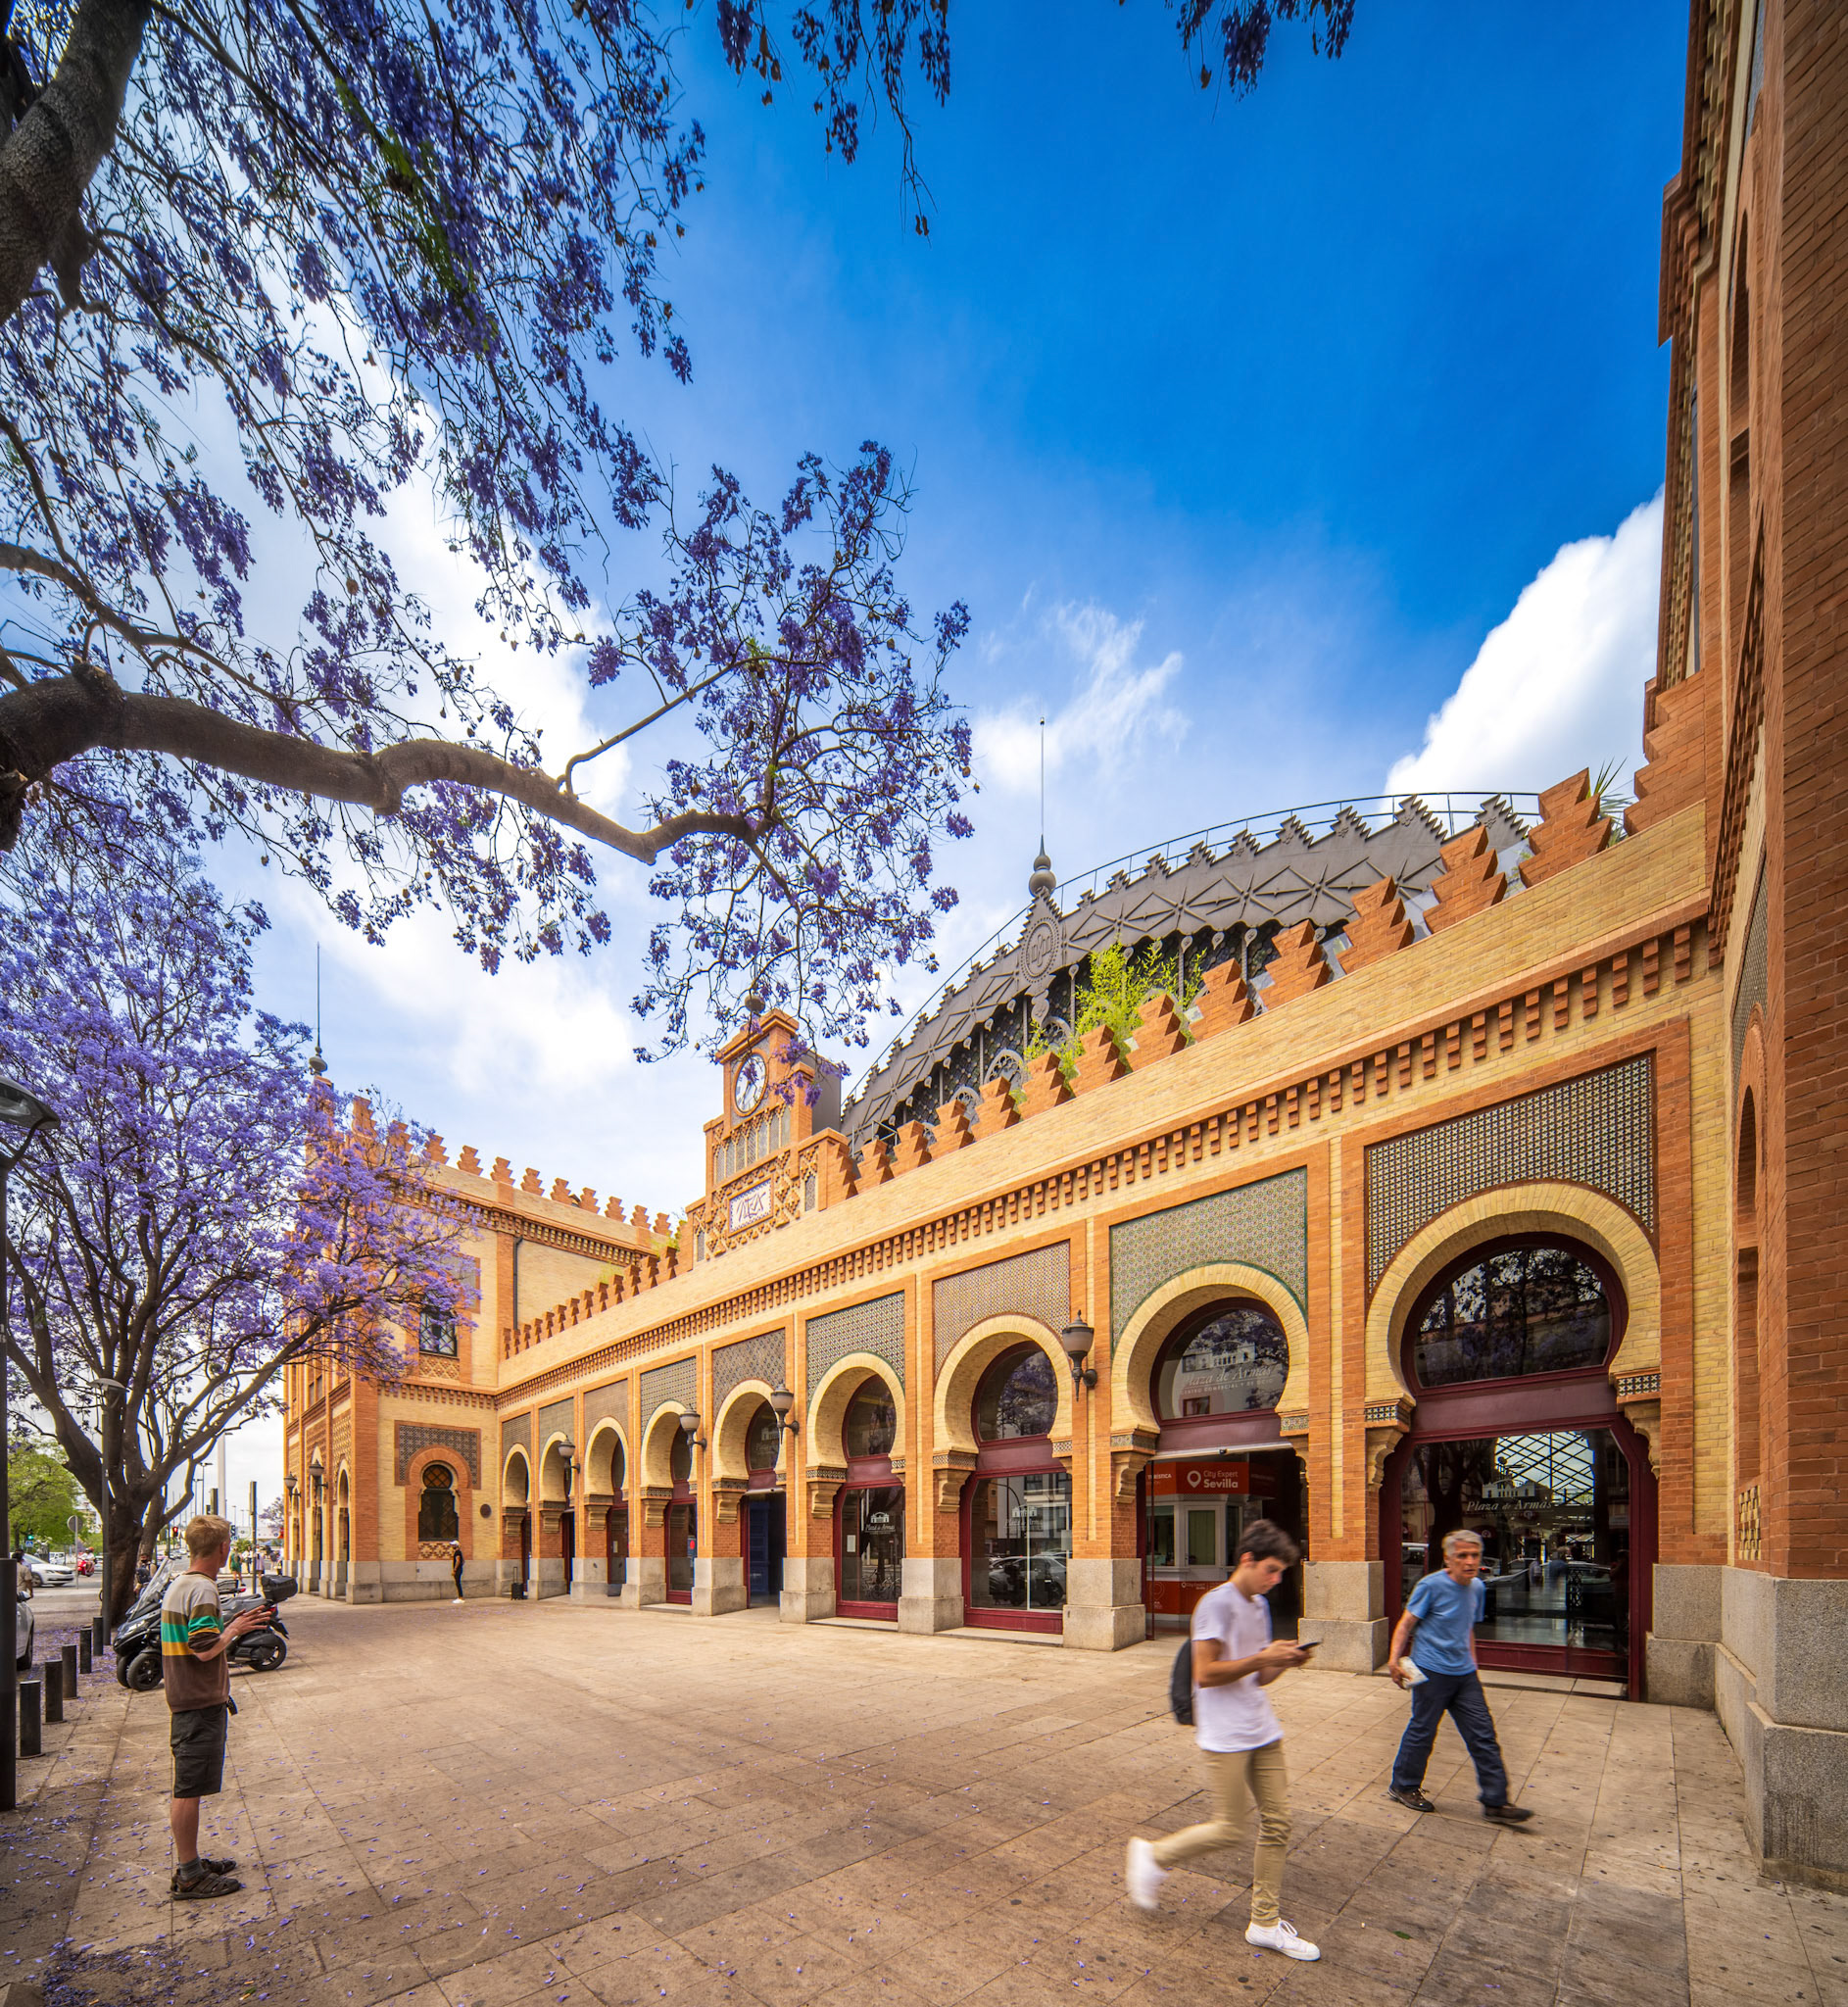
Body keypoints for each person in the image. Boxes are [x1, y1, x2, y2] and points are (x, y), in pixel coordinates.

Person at [1125, 1519, 1321, 1963]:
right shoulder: (1215, 1604)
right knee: (1229, 1828)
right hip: (1225, 1734)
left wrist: (1286, 1660)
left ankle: (1264, 1924)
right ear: (1247, 1560)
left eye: (1281, 1574)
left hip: (1261, 1728)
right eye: (1271, 1570)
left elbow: (1261, 1675)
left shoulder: (1258, 1606)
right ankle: (1153, 1856)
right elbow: (1206, 1674)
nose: (1275, 1580)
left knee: (1278, 1823)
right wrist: (1262, 1656)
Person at [1386, 1529, 1534, 1823]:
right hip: (1430, 1672)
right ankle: (1403, 1786)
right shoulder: (1430, 1586)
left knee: (1483, 1736)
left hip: (1464, 1675)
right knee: (1423, 1731)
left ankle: (1496, 1802)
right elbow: (1405, 1625)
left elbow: (1467, 1627)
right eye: (1462, 1556)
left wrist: (1473, 1666)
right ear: (1448, 1559)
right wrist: (1393, 1662)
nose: (1469, 1562)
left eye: (1474, 1555)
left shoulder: (1477, 1588)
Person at [162, 1513, 270, 1899]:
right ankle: (189, 1874)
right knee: (188, 1788)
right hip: (196, 1700)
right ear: (224, 1549)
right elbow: (205, 1648)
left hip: (184, 1696)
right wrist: (235, 1630)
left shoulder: (182, 1583)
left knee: (188, 1785)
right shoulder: (204, 1590)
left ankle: (190, 1862)